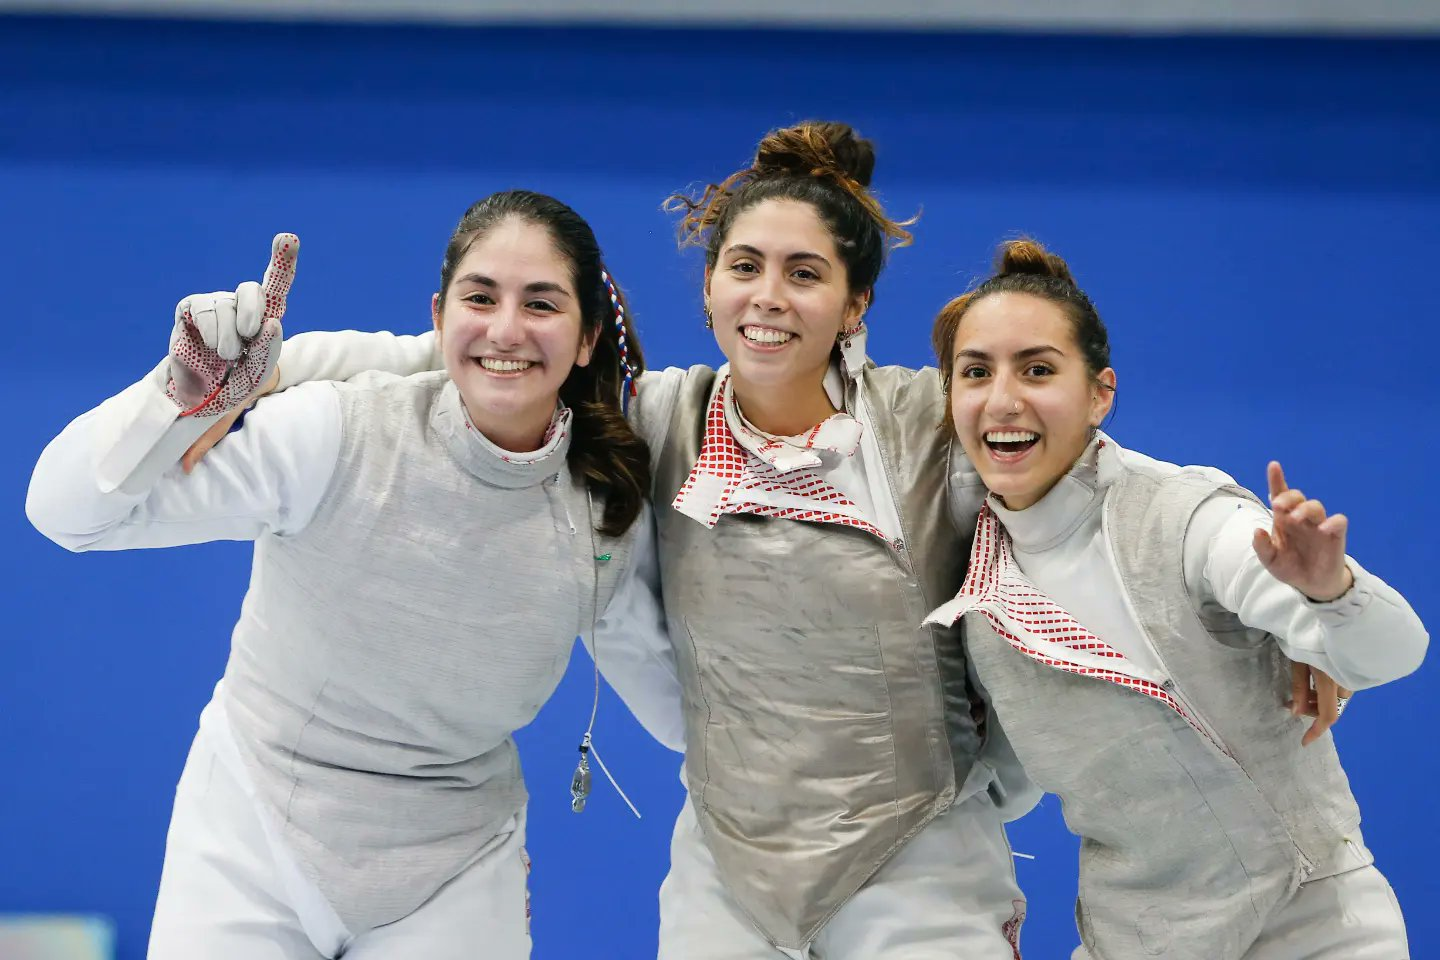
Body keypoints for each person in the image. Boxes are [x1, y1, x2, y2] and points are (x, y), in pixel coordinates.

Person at [200, 122, 1035, 959]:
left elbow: (1064, 532)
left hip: (920, 856)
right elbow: (469, 360)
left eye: (805, 274)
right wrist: (271, 370)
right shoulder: (662, 418)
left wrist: (1000, 775)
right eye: (745, 267)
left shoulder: (934, 424)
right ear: (709, 286)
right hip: (732, 870)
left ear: (856, 304)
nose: (769, 296)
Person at [25, 191, 683, 960]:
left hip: (456, 867)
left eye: (541, 304)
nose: (506, 329)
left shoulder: (602, 508)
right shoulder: (337, 433)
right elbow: (67, 514)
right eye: (480, 298)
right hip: (252, 832)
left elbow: (681, 712)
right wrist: (174, 399)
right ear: (439, 315)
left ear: (587, 337)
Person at [924, 238, 1428, 959]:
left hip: (1313, 922)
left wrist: (1329, 592)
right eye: (976, 372)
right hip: (1137, 940)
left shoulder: (1189, 521)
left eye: (1038, 369)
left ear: (1100, 394)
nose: (1003, 400)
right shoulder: (974, 584)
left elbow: (1396, 651)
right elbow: (1004, 786)